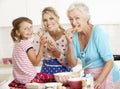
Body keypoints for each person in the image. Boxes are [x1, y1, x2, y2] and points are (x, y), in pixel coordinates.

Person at [65, 2, 115, 89]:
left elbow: (110, 62)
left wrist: (98, 81)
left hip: (104, 76)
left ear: (86, 18)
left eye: (77, 18)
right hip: (88, 78)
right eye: (70, 19)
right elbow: (72, 64)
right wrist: (69, 42)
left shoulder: (97, 32)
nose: (73, 22)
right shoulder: (74, 36)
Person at [8, 17, 54, 88]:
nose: (29, 30)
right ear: (18, 32)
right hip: (30, 79)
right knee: (53, 78)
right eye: (25, 28)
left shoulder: (17, 44)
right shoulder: (27, 44)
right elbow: (36, 63)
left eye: (30, 27)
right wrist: (41, 45)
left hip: (19, 81)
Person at [33, 7, 72, 74]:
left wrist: (56, 53)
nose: (48, 22)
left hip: (65, 75)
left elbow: (70, 64)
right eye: (45, 20)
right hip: (46, 74)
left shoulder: (67, 36)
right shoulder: (41, 34)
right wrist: (41, 46)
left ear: (57, 18)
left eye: (51, 18)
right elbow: (35, 60)